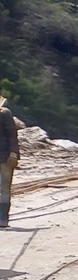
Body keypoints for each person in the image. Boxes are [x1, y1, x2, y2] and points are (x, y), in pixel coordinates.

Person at [0, 95, 19, 229]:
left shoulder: (5, 113)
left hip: (5, 156)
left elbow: (12, 135)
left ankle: (2, 218)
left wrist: (13, 152)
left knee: (4, 188)